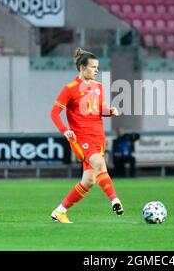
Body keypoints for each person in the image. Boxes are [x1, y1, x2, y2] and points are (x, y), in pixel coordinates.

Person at [50, 48, 124, 223]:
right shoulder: (70, 89)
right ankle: (115, 200)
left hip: (98, 138)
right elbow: (54, 113)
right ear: (82, 68)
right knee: (99, 163)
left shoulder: (98, 87)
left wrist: (110, 111)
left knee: (89, 181)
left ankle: (59, 211)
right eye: (93, 67)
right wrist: (65, 130)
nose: (96, 70)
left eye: (97, 67)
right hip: (81, 139)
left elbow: (100, 109)